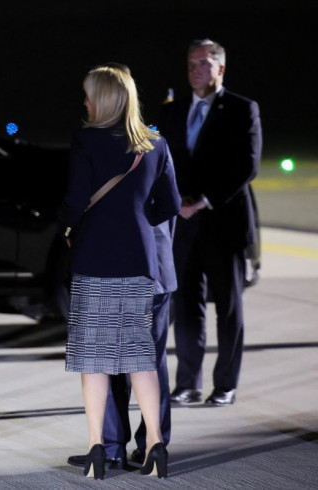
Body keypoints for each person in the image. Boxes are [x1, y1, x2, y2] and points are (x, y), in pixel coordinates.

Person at [59, 65, 180, 480]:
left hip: (95, 258)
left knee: (94, 359)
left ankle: (97, 448)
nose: (86, 102)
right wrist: (135, 221)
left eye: (90, 95)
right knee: (140, 356)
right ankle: (155, 446)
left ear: (104, 99)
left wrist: (68, 228)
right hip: (140, 260)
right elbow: (169, 205)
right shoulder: (155, 143)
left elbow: (76, 200)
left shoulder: (87, 140)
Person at [159, 39, 262, 406]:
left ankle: (226, 384)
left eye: (203, 63)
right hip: (185, 225)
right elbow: (166, 162)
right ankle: (187, 383)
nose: (195, 70)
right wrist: (176, 203)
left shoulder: (241, 109)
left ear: (220, 68)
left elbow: (247, 166)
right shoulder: (175, 110)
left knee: (229, 308)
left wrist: (204, 200)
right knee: (186, 307)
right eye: (190, 64)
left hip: (224, 223)